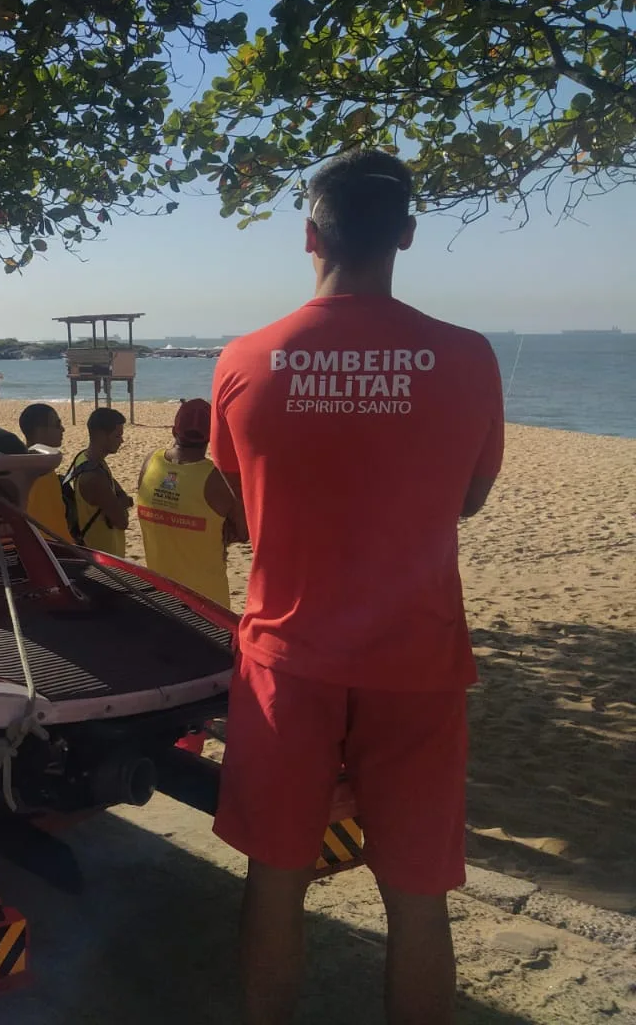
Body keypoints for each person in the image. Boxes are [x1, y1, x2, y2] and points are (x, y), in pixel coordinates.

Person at [208, 149, 504, 1025]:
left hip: (287, 659)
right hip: (417, 659)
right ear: (406, 235)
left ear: (309, 233)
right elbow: (471, 500)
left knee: (277, 879)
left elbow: (240, 500)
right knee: (418, 895)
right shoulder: (468, 356)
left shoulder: (245, 359)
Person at [135, 398, 243, 609]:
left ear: (175, 431)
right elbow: (243, 531)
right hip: (207, 602)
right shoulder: (218, 479)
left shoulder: (151, 462)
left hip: (160, 597)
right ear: (211, 436)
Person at [62, 406, 133, 556]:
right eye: (117, 436)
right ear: (101, 435)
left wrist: (120, 500)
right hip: (102, 555)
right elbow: (122, 521)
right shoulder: (94, 477)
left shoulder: (86, 459)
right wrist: (123, 502)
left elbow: (116, 490)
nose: (122, 441)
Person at [17, 403, 69, 540]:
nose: (62, 429)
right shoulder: (33, 472)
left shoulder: (44, 466)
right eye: (57, 425)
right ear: (40, 430)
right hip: (52, 550)